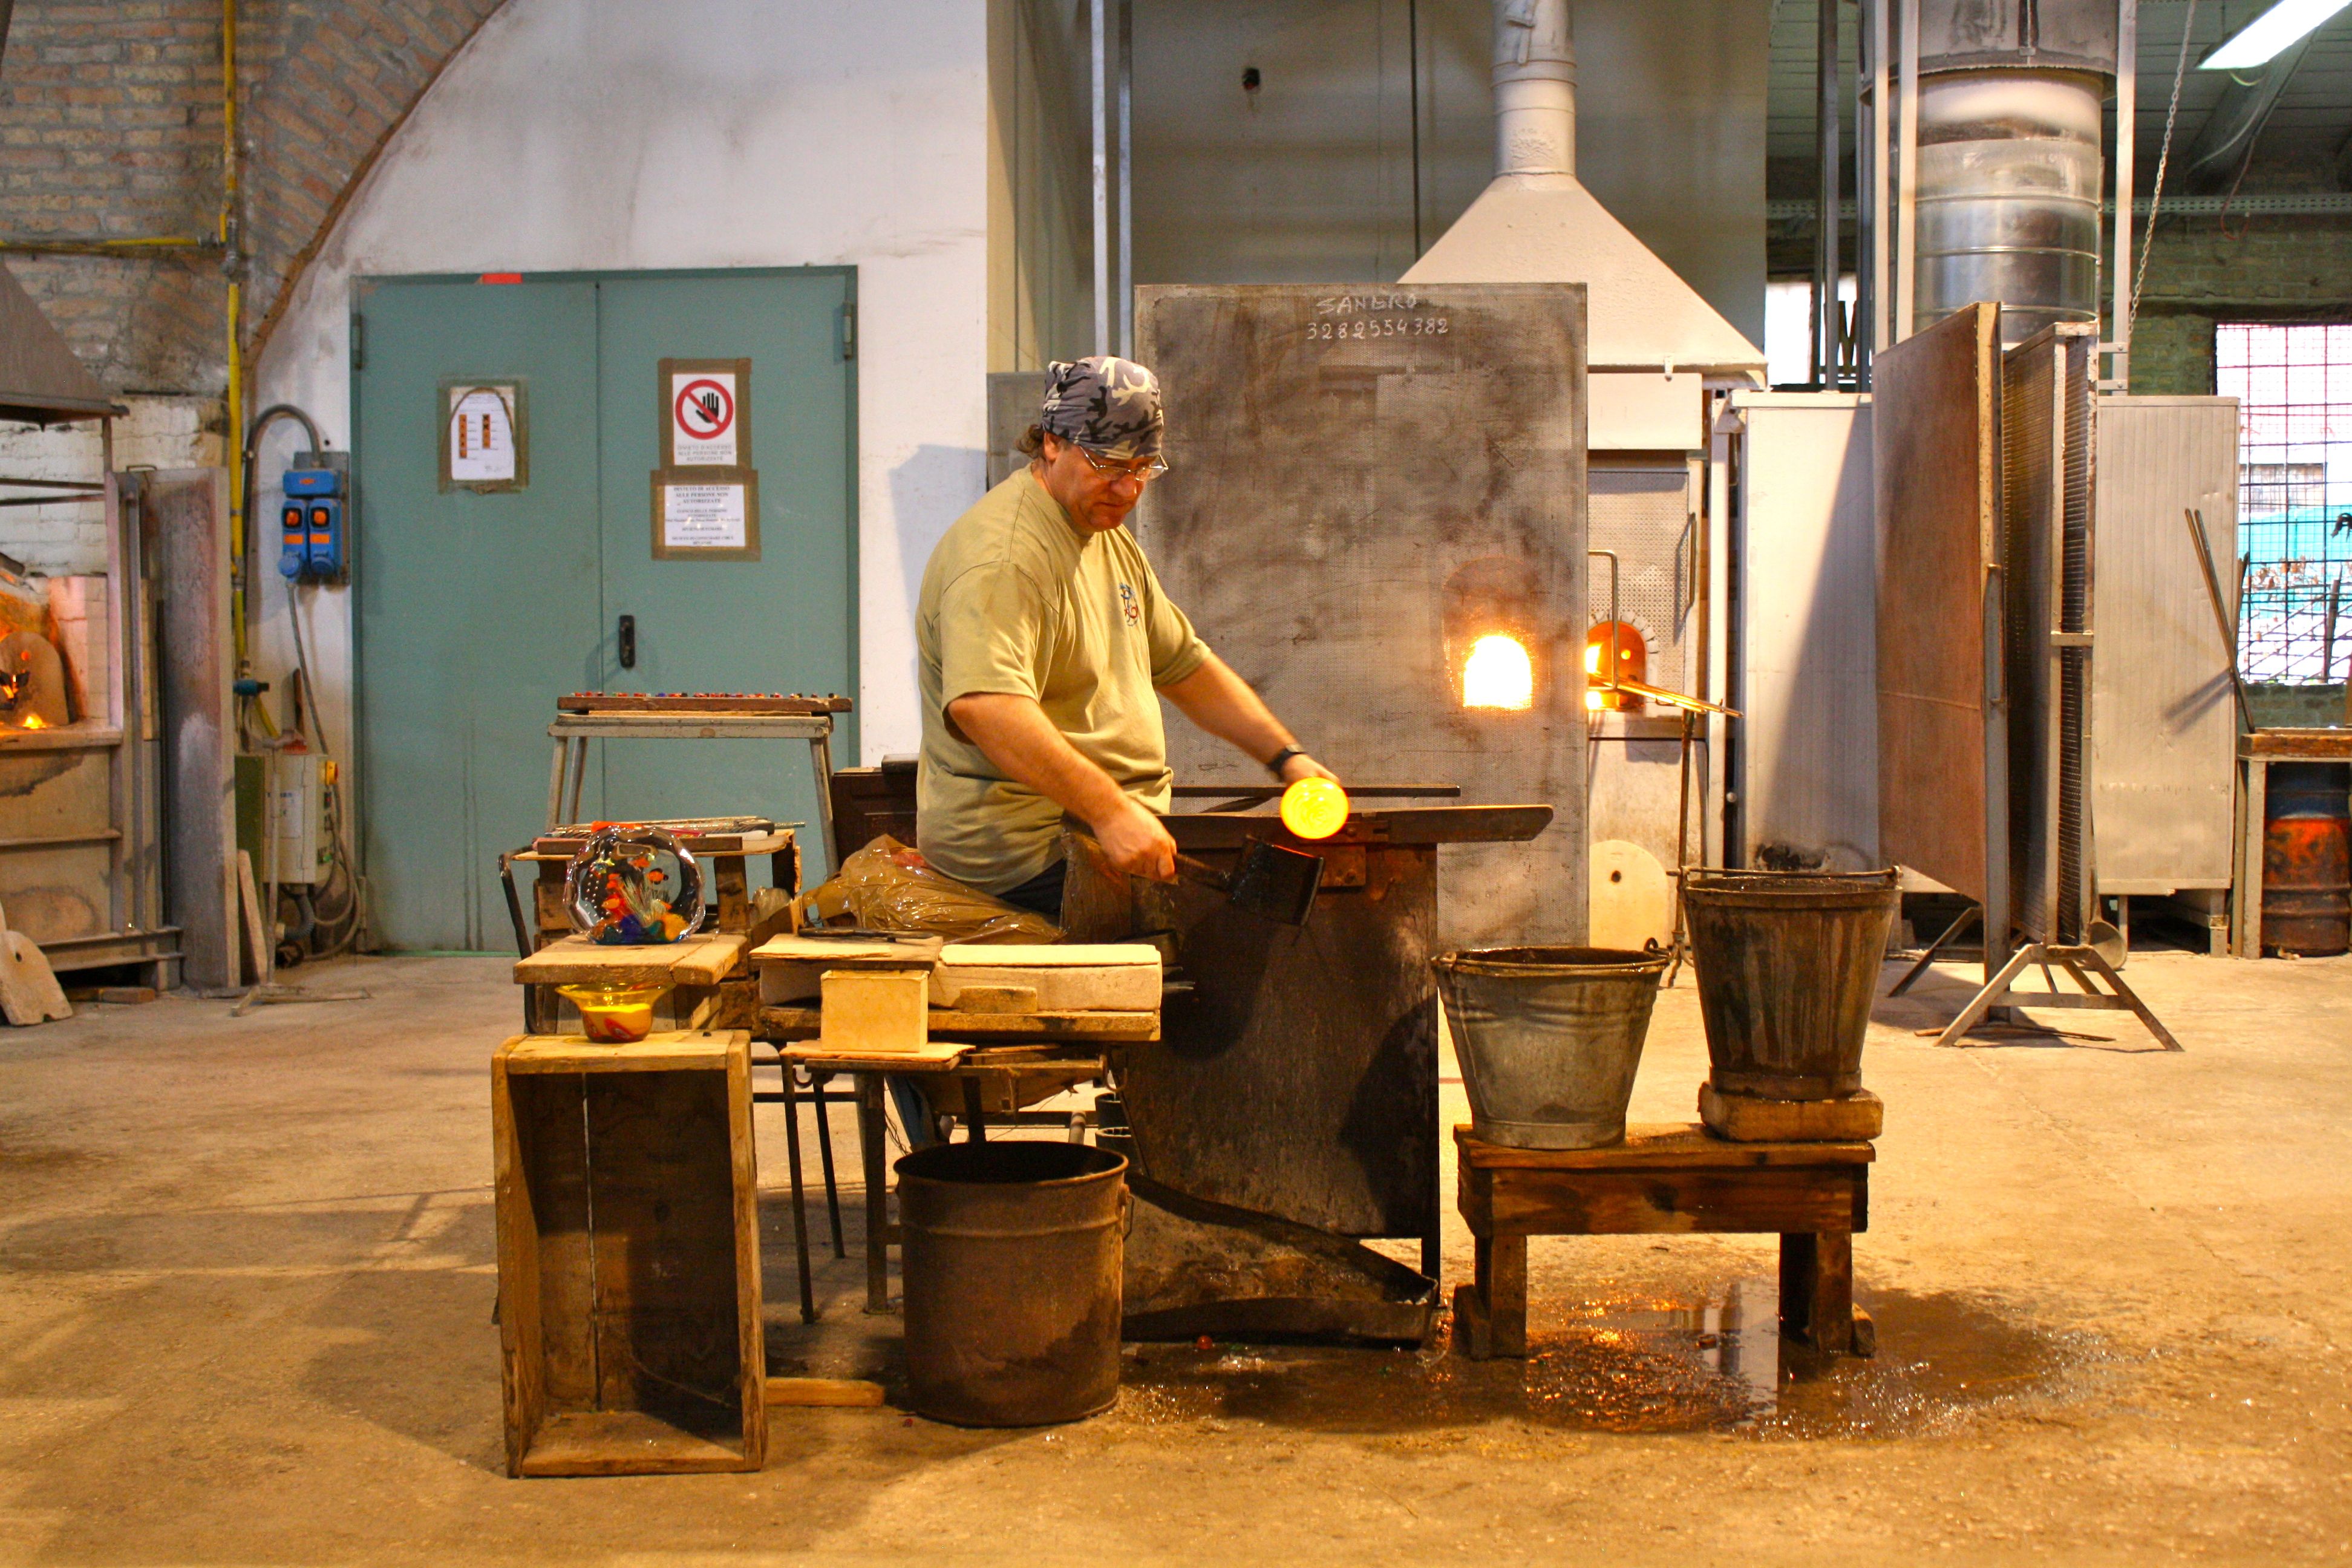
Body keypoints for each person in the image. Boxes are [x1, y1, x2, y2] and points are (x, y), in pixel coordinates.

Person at [915, 354, 1337, 919]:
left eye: (1142, 468)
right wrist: (1110, 811)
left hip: (1098, 825)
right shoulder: (1005, 557)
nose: (1127, 489)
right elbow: (986, 706)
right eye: (1109, 465)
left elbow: (1183, 664)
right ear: (1052, 443)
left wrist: (1286, 758)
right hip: (1027, 852)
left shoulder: (1101, 531)